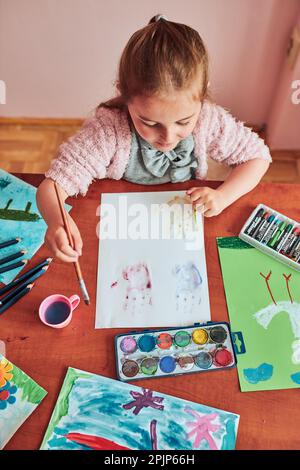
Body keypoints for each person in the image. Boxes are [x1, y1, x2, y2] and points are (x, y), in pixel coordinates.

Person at [36, 14, 271, 263]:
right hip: (121, 225)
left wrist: (223, 196)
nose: (168, 137)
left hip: (180, 227)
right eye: (149, 122)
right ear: (123, 93)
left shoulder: (208, 120)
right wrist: (57, 221)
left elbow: (258, 157)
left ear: (202, 97)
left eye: (183, 122)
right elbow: (51, 187)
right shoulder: (108, 130)